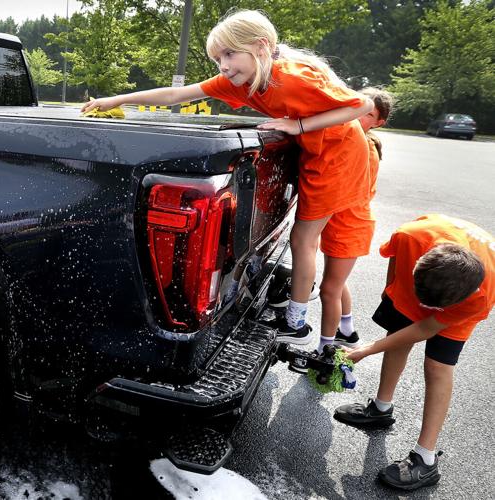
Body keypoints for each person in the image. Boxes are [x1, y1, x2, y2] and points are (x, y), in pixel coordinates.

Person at [82, 10, 373, 349]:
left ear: (261, 47)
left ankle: (297, 323)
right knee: (303, 237)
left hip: (339, 157)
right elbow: (176, 95)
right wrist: (115, 100)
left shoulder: (292, 77)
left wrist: (298, 127)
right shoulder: (245, 80)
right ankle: (317, 317)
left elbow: (362, 105)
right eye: (218, 58)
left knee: (304, 239)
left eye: (229, 54)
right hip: (316, 151)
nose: (222, 65)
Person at [335, 214, 495, 490]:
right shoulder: (410, 236)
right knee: (397, 334)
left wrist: (365, 351)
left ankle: (426, 460)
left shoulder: (482, 291)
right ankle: (380, 409)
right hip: (423, 272)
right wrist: (392, 294)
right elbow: (394, 258)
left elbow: (427, 328)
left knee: (437, 366)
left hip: (463, 293)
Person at [334, 87, 395, 348]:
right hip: (344, 220)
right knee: (335, 282)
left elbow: (343, 185)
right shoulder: (355, 139)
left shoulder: (365, 148)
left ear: (379, 122)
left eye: (368, 114)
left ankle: (337, 339)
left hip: (351, 223)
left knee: (331, 286)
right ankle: (346, 330)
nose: (359, 116)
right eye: (356, 109)